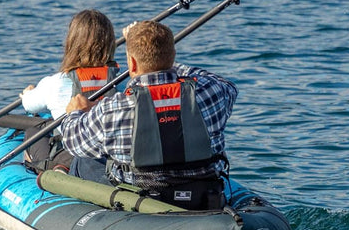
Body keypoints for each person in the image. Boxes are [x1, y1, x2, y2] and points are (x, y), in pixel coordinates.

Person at [60, 20, 237, 209]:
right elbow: (223, 83)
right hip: (201, 195)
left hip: (142, 201)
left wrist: (75, 113)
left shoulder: (111, 109)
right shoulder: (212, 93)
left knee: (83, 161)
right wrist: (164, 59)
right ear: (172, 56)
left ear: (132, 63)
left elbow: (72, 142)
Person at [0, 9, 119, 171]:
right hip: (110, 153)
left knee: (33, 132)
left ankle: (43, 171)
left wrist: (28, 93)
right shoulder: (120, 80)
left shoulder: (55, 83)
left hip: (71, 153)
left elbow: (29, 105)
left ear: (71, 44)